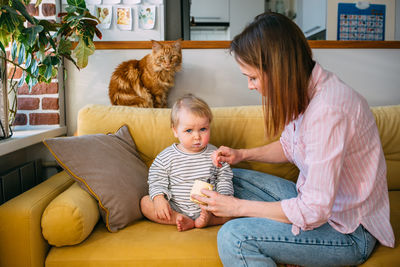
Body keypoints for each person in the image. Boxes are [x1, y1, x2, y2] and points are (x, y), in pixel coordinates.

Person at [191, 12, 395, 266]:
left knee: (234, 238)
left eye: (252, 77)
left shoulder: (328, 111)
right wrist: (242, 155)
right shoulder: (303, 90)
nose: (250, 86)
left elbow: (313, 210)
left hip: (347, 231)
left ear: (276, 70)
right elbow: (290, 146)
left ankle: (242, 226)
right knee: (232, 175)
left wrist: (237, 208)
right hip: (318, 204)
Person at [140, 94, 234, 232]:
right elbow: (156, 179)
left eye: (203, 129)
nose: (197, 136)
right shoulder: (166, 156)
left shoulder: (215, 155)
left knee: (236, 209)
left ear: (209, 126)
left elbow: (224, 177)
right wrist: (159, 198)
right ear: (175, 131)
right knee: (145, 203)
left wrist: (223, 197)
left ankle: (209, 220)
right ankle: (179, 219)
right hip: (176, 207)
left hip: (209, 207)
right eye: (189, 130)